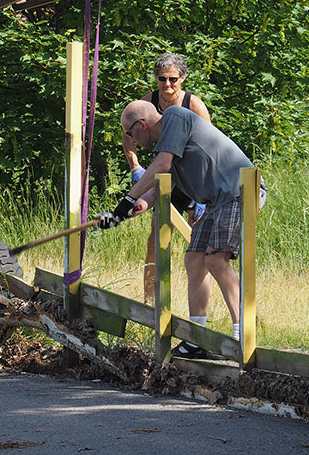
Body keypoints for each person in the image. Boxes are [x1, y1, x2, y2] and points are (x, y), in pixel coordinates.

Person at [100, 100, 265, 359]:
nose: (132, 140)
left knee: (215, 259)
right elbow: (157, 188)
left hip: (239, 191)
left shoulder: (175, 117)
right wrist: (123, 213)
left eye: (130, 134)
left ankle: (242, 333)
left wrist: (128, 200)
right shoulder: (166, 148)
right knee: (194, 258)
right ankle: (197, 338)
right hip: (216, 202)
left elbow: (162, 167)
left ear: (141, 125)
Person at [123, 53, 211, 301]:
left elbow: (208, 148)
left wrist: (201, 194)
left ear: (182, 78)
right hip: (166, 178)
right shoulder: (147, 104)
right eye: (162, 79)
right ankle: (151, 300)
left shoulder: (194, 105)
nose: (167, 85)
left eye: (173, 79)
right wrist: (135, 167)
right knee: (157, 236)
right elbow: (128, 135)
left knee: (200, 243)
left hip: (194, 180)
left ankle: (205, 306)